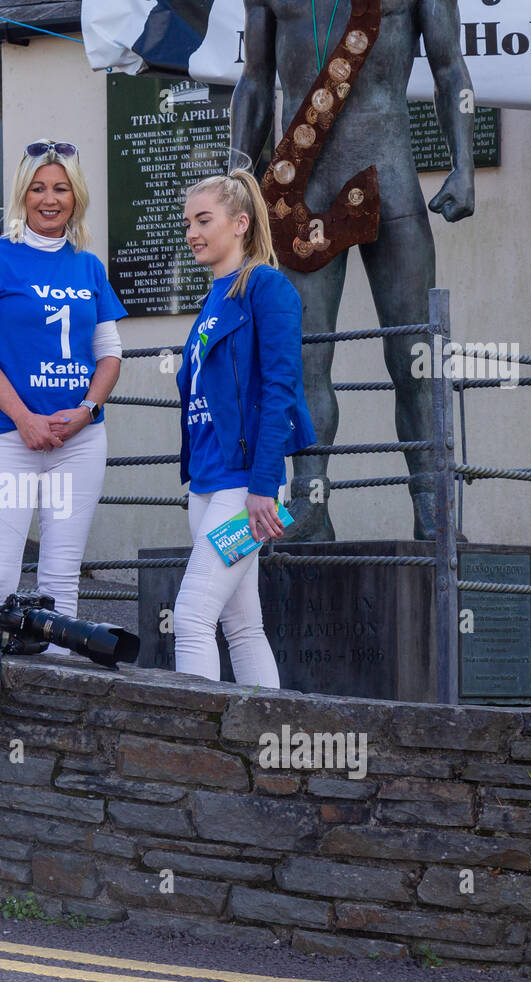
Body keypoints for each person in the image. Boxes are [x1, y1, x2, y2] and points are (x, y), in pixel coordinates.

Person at [231, 0, 475, 541]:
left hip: (390, 179)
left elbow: (449, 69)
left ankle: (432, 505)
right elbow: (253, 81)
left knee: (414, 357)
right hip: (304, 188)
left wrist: (464, 163)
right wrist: (237, 174)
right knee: (304, 359)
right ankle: (310, 502)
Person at [0, 140, 126, 649]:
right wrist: (25, 418)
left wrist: (87, 409)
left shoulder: (88, 267)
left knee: (60, 583)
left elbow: (110, 355)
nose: (49, 199)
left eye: (60, 188)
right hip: (5, 438)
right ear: (21, 194)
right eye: (38, 188)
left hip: (77, 443)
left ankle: (56, 698)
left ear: (76, 196)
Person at [172, 171, 317, 684]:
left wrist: (263, 487)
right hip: (209, 484)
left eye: (203, 220)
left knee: (190, 617)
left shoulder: (267, 287)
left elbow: (281, 389)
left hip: (245, 486)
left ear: (240, 223)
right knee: (242, 623)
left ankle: (198, 749)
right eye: (188, 222)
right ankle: (263, 745)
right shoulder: (214, 299)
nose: (192, 231)